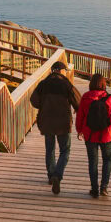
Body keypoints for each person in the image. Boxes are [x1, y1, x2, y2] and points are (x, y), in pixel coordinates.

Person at [30, 61, 81, 194]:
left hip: (47, 122)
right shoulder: (66, 84)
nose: (66, 74)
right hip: (63, 123)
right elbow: (78, 101)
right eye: (65, 71)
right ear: (60, 71)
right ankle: (57, 175)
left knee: (50, 149)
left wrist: (44, 105)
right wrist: (76, 108)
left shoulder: (43, 84)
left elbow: (34, 100)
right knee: (65, 150)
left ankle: (51, 176)